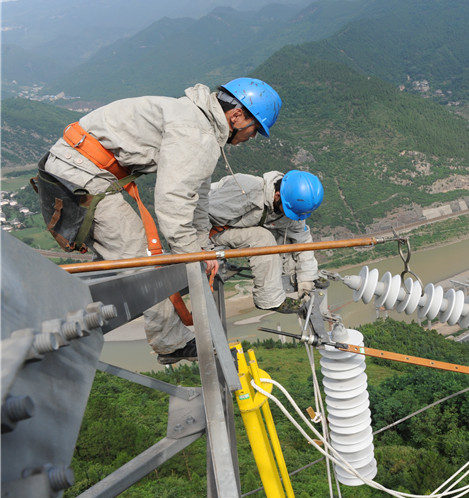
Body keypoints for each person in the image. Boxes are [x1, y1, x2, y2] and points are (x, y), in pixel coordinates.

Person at [34, 78, 282, 365]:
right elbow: (173, 203)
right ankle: (170, 343)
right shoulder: (195, 133)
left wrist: (203, 247)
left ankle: (164, 329)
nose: (252, 137)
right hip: (79, 172)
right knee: (140, 257)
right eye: (255, 129)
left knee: (140, 253)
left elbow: (198, 195)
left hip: (79, 166)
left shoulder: (199, 125)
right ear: (237, 116)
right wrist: (194, 256)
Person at [208, 170, 324, 314]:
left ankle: (293, 278)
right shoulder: (245, 190)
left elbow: (302, 238)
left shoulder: (289, 203)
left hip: (236, 227)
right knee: (263, 239)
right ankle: (269, 300)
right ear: (277, 195)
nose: (293, 217)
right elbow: (201, 215)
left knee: (285, 237)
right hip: (210, 230)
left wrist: (307, 276)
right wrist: (203, 250)